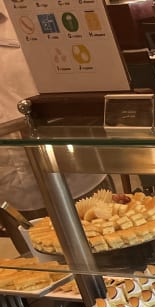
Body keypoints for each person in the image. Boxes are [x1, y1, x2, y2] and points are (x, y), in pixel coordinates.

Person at [0, 10, 107, 221]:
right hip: (11, 191)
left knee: (113, 236)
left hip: (75, 173)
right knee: (33, 242)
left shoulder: (29, 14)